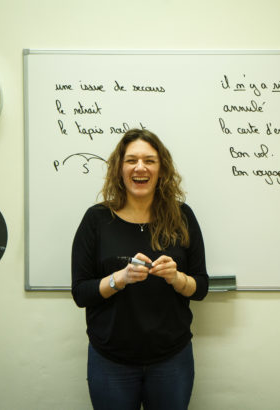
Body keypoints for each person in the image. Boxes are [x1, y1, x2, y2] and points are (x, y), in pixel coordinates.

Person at [71, 128, 209, 410]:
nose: (140, 167)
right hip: (111, 361)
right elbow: (81, 293)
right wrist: (119, 278)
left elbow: (201, 287)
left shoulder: (183, 216)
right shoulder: (96, 219)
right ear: (119, 169)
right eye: (131, 160)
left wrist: (177, 278)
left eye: (149, 160)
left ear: (161, 169)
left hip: (172, 359)